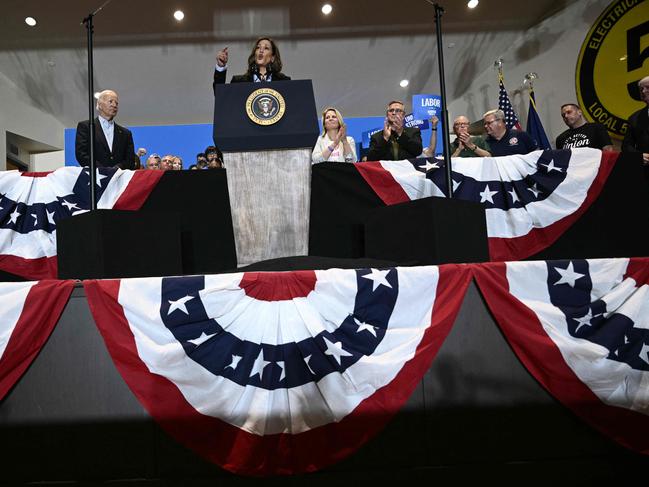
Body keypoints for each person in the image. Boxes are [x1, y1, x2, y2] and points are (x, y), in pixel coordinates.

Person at [75, 89, 135, 169]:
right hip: (95, 177)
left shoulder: (126, 133)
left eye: (116, 103)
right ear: (100, 105)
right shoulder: (86, 127)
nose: (114, 105)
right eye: (110, 101)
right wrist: (102, 170)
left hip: (119, 177)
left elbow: (130, 159)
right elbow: (81, 154)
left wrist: (116, 169)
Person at [213, 37, 291, 91]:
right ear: (254, 55)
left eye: (266, 48)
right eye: (258, 47)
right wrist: (221, 66)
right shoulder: (239, 82)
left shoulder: (284, 82)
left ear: (272, 58)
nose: (261, 50)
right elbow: (221, 97)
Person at [622, 76, 649, 165]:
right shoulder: (634, 118)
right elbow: (626, 146)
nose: (643, 91)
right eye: (641, 89)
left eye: (647, 87)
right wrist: (638, 156)